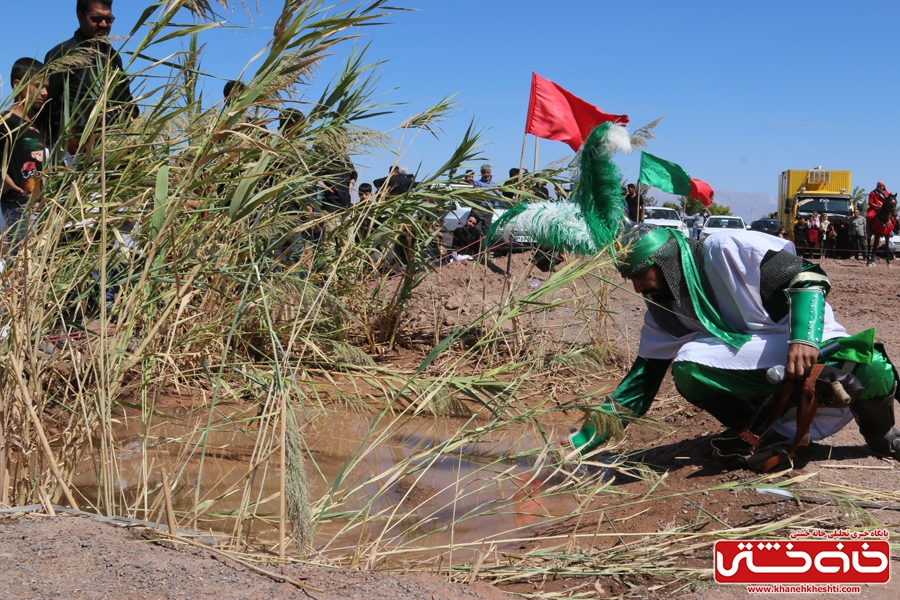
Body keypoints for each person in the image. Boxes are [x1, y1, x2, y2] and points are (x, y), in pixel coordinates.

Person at [570, 224, 900, 470]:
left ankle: (882, 436)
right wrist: (576, 446)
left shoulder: (725, 248)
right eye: (630, 278)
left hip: (811, 339)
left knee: (873, 369)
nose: (637, 286)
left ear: (667, 260)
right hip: (759, 360)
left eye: (641, 273)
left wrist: (803, 339)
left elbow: (807, 276)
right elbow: (636, 390)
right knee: (688, 367)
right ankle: (763, 432)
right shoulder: (665, 313)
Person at [43, 0, 136, 149]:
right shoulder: (62, 54)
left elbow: (127, 102)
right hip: (71, 154)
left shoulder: (113, 57)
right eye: (97, 18)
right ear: (80, 16)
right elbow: (45, 107)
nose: (104, 24)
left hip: (109, 152)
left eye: (109, 19)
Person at [2, 58, 48, 247]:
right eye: (38, 86)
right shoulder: (6, 121)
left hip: (36, 206)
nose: (44, 93)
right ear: (18, 84)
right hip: (15, 206)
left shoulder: (36, 124)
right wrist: (5, 180)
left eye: (46, 87)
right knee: (18, 263)